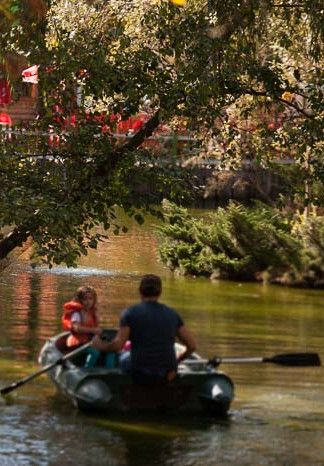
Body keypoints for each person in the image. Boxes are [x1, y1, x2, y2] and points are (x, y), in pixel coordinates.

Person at [92, 274, 196, 384]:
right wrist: (178, 360)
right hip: (168, 372)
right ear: (160, 292)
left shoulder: (130, 313)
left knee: (123, 357)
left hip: (140, 371)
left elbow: (117, 346)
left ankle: (116, 386)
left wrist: (99, 345)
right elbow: (192, 346)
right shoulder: (173, 314)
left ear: (140, 291)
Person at [62, 285, 115, 369]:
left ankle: (110, 371)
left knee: (111, 350)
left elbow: (95, 330)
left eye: (90, 299)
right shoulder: (77, 313)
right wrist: (93, 330)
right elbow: (76, 328)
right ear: (79, 300)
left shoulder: (91, 313)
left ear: (94, 300)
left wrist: (101, 335)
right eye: (85, 299)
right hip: (78, 343)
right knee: (95, 353)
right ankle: (86, 371)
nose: (88, 301)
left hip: (89, 342)